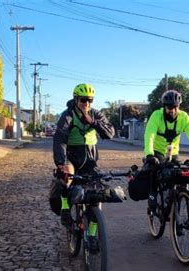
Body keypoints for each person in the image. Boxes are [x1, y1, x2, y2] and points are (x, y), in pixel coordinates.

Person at [52, 83, 115, 250]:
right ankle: (66, 207)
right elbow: (59, 139)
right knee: (66, 177)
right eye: (83, 100)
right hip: (72, 159)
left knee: (98, 194)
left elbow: (109, 133)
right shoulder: (68, 116)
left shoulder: (96, 114)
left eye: (90, 100)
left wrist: (93, 122)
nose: (86, 103)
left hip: (90, 161)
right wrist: (60, 163)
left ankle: (93, 233)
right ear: (76, 99)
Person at [144, 89, 189, 211]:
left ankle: (177, 199)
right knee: (154, 170)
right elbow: (149, 136)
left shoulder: (184, 117)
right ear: (164, 107)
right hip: (157, 151)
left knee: (179, 175)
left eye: (175, 107)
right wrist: (149, 154)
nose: (173, 111)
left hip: (173, 152)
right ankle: (153, 195)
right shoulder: (156, 116)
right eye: (170, 108)